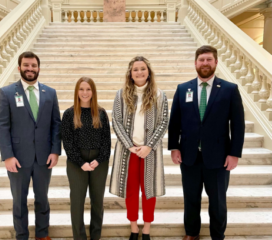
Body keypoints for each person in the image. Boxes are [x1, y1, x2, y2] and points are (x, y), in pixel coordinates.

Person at [168, 45, 245, 240]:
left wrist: (234, 153)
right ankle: (192, 233)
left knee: (218, 201)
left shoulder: (229, 89)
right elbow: (174, 121)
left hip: (219, 158)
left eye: (209, 59)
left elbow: (238, 124)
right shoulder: (183, 88)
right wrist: (174, 147)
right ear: (195, 63)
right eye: (201, 60)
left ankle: (217, 236)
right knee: (191, 199)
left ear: (216, 62)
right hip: (189, 156)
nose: (205, 63)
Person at [0, 51, 61, 240]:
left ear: (38, 68)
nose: (30, 69)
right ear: (19, 68)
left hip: (43, 158)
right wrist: (7, 155)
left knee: (42, 199)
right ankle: (22, 236)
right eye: (26, 65)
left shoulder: (49, 93)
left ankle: (42, 234)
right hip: (17, 158)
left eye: (33, 65)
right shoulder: (7, 93)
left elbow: (56, 124)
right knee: (19, 201)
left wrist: (55, 150)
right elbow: (2, 126)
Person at [110, 56, 168, 240]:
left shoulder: (160, 95)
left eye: (142, 68)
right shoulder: (121, 95)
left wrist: (149, 146)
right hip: (130, 151)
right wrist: (129, 145)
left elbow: (163, 121)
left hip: (150, 151)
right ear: (130, 73)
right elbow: (116, 121)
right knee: (131, 189)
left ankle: (147, 230)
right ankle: (134, 228)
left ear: (148, 72)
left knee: (149, 190)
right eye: (135, 69)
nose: (139, 72)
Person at [61, 77, 111, 240]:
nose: (84, 92)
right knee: (77, 202)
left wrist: (99, 159)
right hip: (76, 162)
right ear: (76, 92)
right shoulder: (69, 114)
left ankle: (96, 235)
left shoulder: (101, 113)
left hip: (99, 162)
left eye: (88, 89)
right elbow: (67, 142)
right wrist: (81, 162)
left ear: (93, 92)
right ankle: (79, 237)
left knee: (98, 201)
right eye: (81, 89)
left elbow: (106, 141)